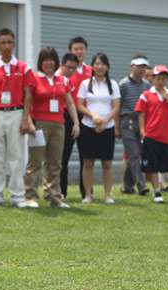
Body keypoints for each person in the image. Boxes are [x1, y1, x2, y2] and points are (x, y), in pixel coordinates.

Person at [0, 28, 34, 208]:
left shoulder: (24, 68)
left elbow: (28, 95)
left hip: (16, 113)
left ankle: (18, 196)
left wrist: (25, 119)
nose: (6, 46)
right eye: (3, 43)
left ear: (14, 44)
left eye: (9, 42)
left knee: (17, 156)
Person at [24, 46, 78, 209]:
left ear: (56, 63)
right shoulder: (34, 78)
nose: (49, 63)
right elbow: (26, 101)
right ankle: (31, 196)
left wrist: (76, 123)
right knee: (35, 162)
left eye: (52, 60)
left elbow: (69, 102)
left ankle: (55, 196)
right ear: (41, 62)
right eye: (46, 60)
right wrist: (28, 121)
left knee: (55, 162)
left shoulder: (62, 79)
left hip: (58, 124)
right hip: (39, 123)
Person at [135, 65, 168, 205]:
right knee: (153, 166)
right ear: (152, 79)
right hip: (151, 136)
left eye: (163, 79)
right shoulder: (146, 95)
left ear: (167, 80)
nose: (161, 82)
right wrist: (142, 132)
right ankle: (156, 191)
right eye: (158, 79)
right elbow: (141, 115)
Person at [77, 52, 120, 204]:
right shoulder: (84, 84)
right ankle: (88, 195)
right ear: (92, 66)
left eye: (103, 64)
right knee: (88, 162)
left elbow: (116, 107)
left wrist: (105, 121)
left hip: (107, 127)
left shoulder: (113, 84)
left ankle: (107, 195)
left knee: (107, 163)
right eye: (97, 64)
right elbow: (79, 105)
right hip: (88, 126)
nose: (100, 67)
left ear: (107, 66)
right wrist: (93, 116)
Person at [118, 55, 151, 196]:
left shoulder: (146, 85)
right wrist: (116, 126)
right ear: (132, 66)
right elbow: (117, 106)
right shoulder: (123, 84)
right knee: (133, 154)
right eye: (138, 66)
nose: (141, 69)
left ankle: (127, 187)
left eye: (143, 66)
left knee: (134, 154)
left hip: (141, 122)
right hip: (127, 121)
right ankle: (141, 185)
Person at [68, 36, 93, 199]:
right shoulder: (66, 69)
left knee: (86, 156)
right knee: (63, 154)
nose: (79, 51)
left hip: (86, 115)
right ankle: (60, 191)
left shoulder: (91, 71)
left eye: (81, 48)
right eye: (76, 49)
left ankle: (86, 192)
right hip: (68, 114)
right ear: (70, 51)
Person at [58, 53, 79, 199]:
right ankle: (49, 190)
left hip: (68, 117)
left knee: (64, 157)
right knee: (52, 157)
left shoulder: (67, 82)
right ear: (61, 64)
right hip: (52, 117)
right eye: (68, 67)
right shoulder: (53, 78)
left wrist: (76, 123)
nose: (70, 71)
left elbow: (71, 103)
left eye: (74, 68)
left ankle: (62, 191)